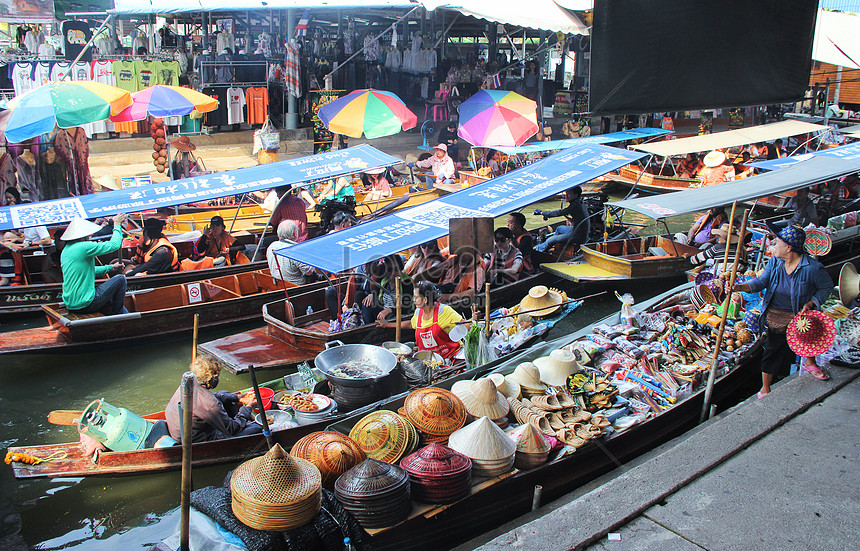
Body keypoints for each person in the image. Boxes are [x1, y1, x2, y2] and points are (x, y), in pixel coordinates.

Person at [733, 225, 834, 396]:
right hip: (775, 314)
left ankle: (810, 362)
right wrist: (740, 286)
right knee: (773, 349)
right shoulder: (775, 262)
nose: (773, 246)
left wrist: (811, 303)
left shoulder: (811, 268)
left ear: (788, 247)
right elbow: (761, 282)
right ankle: (765, 388)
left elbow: (826, 287)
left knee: (805, 339)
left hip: (799, 315)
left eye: (777, 243)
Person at [164, 357, 263, 443]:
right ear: (209, 380)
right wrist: (248, 408)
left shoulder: (187, 383)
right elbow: (232, 429)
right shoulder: (210, 404)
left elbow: (214, 397)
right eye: (217, 376)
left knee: (225, 397)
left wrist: (237, 398)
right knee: (257, 428)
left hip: (180, 431)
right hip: (198, 439)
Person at [381, 281, 477, 359]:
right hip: (427, 361)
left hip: (450, 357)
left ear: (425, 300)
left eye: (416, 297)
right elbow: (411, 324)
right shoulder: (418, 312)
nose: (413, 300)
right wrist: (387, 325)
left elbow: (464, 325)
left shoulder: (444, 311)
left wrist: (473, 319)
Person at [60, 214, 129, 315]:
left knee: (110, 293)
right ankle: (118, 315)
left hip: (72, 304)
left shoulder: (66, 250)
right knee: (120, 279)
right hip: (86, 304)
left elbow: (88, 270)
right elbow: (114, 245)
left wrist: (110, 268)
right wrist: (117, 225)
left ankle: (124, 313)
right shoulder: (83, 247)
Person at [534, 187, 590, 253]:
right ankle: (550, 246)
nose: (566, 195)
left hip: (578, 235)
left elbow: (560, 212)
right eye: (566, 193)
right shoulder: (579, 202)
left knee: (550, 240)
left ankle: (539, 250)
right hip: (576, 230)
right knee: (559, 228)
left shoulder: (575, 205)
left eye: (569, 193)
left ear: (576, 195)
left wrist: (542, 213)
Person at [359, 254, 411, 325]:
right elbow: (376, 291)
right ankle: (367, 327)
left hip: (398, 314)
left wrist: (389, 310)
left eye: (395, 269)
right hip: (383, 310)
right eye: (390, 270)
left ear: (400, 268)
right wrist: (372, 295)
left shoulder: (406, 282)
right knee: (366, 304)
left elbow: (406, 307)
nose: (393, 273)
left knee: (390, 317)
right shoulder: (385, 280)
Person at [267, 220, 317, 285]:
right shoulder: (296, 250)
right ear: (295, 234)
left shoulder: (272, 246)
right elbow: (309, 272)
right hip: (296, 287)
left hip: (277, 285)